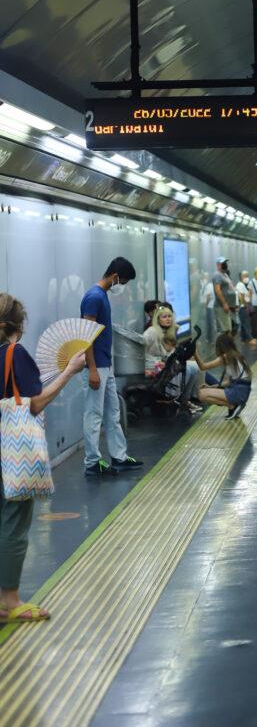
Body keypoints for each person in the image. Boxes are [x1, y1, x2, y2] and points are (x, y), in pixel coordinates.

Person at [0, 294, 86, 623]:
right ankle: (9, 600)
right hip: (11, 451)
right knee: (13, 522)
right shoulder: (14, 353)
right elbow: (35, 403)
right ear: (18, 325)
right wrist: (70, 371)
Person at [81, 258, 144, 477]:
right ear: (115, 276)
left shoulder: (102, 296)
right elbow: (86, 336)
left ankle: (119, 457)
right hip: (96, 365)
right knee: (94, 414)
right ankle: (92, 463)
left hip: (105, 364)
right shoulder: (94, 297)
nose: (122, 286)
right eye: (123, 282)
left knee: (112, 412)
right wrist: (92, 368)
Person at [143, 307, 203, 414]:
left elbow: (171, 353)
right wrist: (145, 368)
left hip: (165, 363)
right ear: (158, 319)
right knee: (181, 368)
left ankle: (185, 399)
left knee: (195, 366)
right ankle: (175, 398)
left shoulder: (170, 332)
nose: (168, 319)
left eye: (169, 316)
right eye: (164, 317)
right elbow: (140, 349)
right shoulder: (152, 331)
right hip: (152, 365)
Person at [196, 334, 252, 420]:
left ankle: (232, 405)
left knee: (201, 394)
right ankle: (233, 406)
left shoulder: (226, 357)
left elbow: (203, 367)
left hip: (238, 392)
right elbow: (229, 382)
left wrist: (195, 352)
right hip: (242, 392)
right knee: (204, 392)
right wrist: (212, 387)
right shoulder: (236, 355)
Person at [212, 258, 235, 336]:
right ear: (218, 265)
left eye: (226, 263)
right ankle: (223, 343)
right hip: (221, 306)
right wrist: (224, 303)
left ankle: (227, 343)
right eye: (223, 263)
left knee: (228, 328)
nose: (225, 265)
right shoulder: (217, 275)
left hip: (227, 306)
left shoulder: (225, 274)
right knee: (224, 330)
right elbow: (217, 290)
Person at [235, 272, 257, 347]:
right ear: (241, 277)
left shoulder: (243, 285)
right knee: (246, 323)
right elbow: (241, 296)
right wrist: (246, 305)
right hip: (243, 306)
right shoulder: (240, 285)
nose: (246, 277)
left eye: (247, 275)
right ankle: (250, 339)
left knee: (243, 323)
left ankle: (243, 339)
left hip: (243, 306)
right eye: (245, 276)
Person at [201, 273, 216, 345]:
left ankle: (211, 339)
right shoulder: (211, 286)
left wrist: (205, 305)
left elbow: (208, 297)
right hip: (210, 307)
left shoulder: (209, 286)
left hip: (209, 307)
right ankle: (209, 338)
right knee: (209, 324)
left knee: (210, 324)